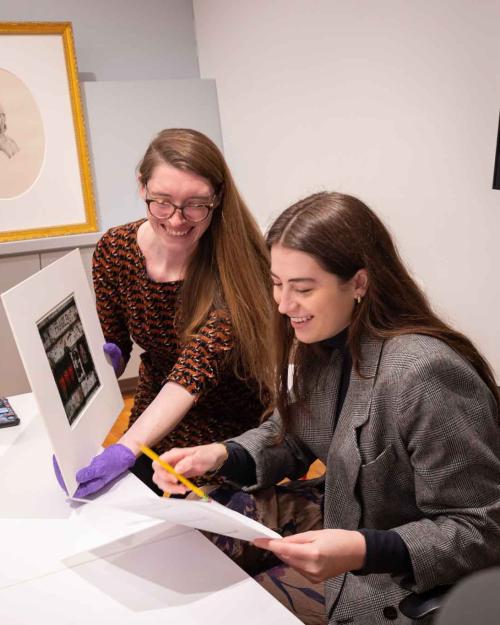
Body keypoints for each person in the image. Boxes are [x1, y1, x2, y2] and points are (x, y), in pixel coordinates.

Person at [151, 192, 500, 625]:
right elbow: (294, 432)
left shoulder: (423, 374)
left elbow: (483, 529)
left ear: (359, 283)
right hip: (346, 556)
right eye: (276, 283)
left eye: (302, 289)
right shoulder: (329, 346)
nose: (282, 304)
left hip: (401, 588)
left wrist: (364, 548)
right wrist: (221, 455)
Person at [59, 128, 275, 497]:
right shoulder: (115, 248)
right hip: (152, 410)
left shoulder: (237, 266)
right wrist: (100, 366)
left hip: (226, 426)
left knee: (193, 521)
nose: (177, 220)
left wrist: (128, 446)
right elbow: (114, 341)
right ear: (141, 186)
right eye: (162, 202)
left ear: (218, 198)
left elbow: (193, 370)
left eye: (196, 204)